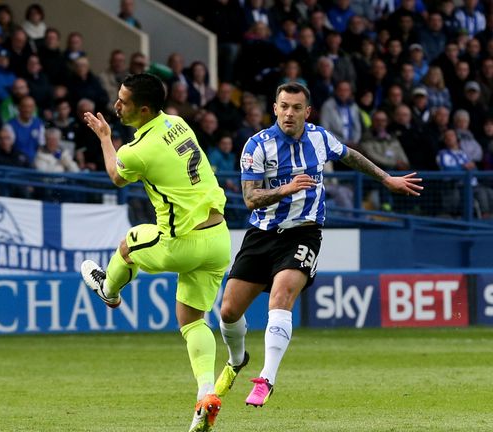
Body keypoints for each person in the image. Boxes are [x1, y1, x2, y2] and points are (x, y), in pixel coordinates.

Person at [215, 83, 423, 410]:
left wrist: (387, 179)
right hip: (262, 233)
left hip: (304, 232)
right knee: (227, 311)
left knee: (281, 295)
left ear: (306, 112)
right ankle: (237, 358)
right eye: (283, 106)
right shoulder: (256, 147)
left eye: (296, 107)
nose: (289, 113)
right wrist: (286, 189)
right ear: (274, 108)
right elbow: (250, 198)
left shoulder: (320, 138)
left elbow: (350, 155)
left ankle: (266, 378)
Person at [81, 73, 231, 432]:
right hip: (219, 238)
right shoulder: (178, 123)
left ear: (143, 109)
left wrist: (105, 138)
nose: (116, 105)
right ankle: (206, 395)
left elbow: (116, 176)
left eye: (124, 101)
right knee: (192, 321)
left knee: (128, 243)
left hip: (181, 243)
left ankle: (110, 291)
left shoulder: (137, 151)